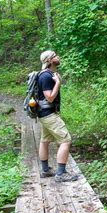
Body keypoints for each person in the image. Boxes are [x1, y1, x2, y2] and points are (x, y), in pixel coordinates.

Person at [37, 50, 78, 182]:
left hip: (43, 114)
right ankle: (61, 174)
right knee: (66, 141)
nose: (58, 57)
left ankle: (45, 170)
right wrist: (58, 84)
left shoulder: (47, 74)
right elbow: (49, 98)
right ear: (49, 61)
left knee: (45, 140)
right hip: (49, 114)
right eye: (55, 56)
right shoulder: (46, 76)